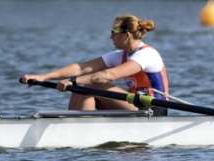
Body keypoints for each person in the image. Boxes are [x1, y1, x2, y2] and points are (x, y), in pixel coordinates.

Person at [20, 14, 169, 115]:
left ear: (127, 35)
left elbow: (110, 75)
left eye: (114, 32)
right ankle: (74, 126)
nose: (111, 36)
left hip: (154, 109)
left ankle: (80, 131)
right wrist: (43, 76)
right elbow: (80, 67)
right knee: (83, 86)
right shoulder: (120, 56)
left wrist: (72, 81)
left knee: (89, 84)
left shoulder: (146, 54)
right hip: (136, 105)